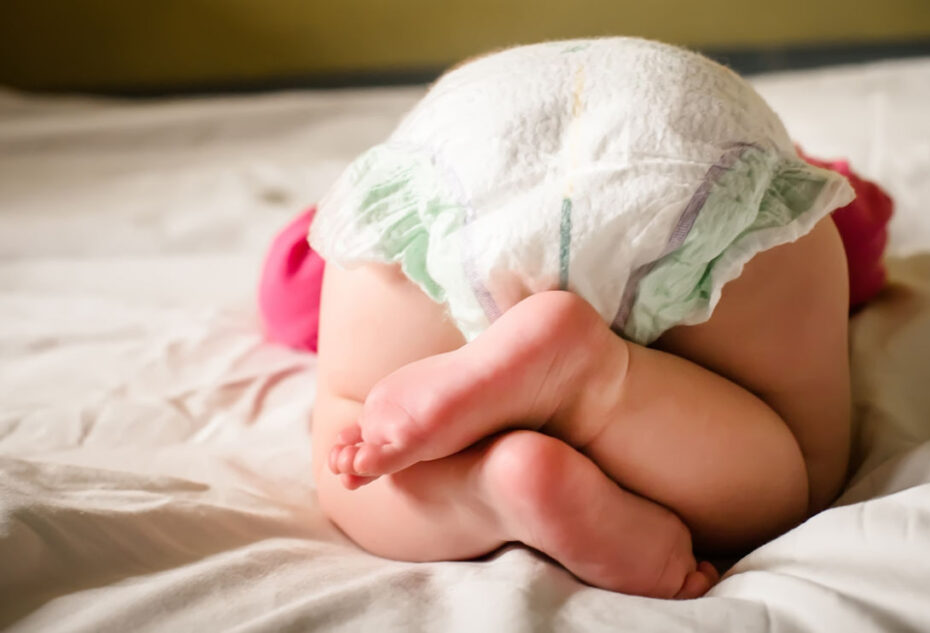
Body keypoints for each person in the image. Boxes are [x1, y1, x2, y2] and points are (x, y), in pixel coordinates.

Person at [259, 37, 893, 600]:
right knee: (790, 479)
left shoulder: (442, 145)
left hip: (459, 174)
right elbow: (863, 236)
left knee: (352, 451)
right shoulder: (781, 166)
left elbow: (288, 290)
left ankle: (494, 491)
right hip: (702, 162)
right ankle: (597, 383)